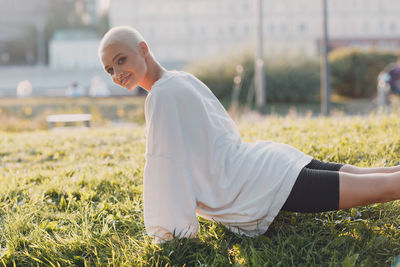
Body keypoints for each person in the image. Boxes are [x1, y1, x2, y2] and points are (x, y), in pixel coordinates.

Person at [98, 26, 400, 243]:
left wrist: (170, 233)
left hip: (259, 184)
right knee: (379, 177)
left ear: (143, 49)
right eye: (109, 69)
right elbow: (222, 131)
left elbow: (164, 166)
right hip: (265, 161)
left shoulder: (161, 96)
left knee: (385, 187)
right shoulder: (179, 78)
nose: (116, 73)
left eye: (120, 60)